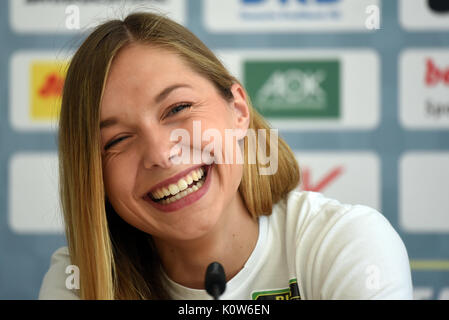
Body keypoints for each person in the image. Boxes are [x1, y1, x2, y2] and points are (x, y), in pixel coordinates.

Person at [38, 12, 413, 300]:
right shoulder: (78, 278)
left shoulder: (344, 241)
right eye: (117, 139)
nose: (161, 154)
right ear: (92, 174)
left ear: (238, 110)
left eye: (177, 108)